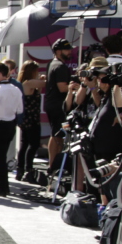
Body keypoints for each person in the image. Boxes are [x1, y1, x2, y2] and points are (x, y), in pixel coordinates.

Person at [0, 62, 24, 196]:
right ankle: (3, 186)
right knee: (1, 156)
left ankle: (2, 187)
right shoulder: (16, 89)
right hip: (10, 125)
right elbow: (20, 109)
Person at [45, 38, 75, 173]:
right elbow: (62, 88)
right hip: (58, 105)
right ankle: (53, 166)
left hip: (53, 104)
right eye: (66, 49)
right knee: (57, 135)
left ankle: (53, 165)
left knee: (57, 134)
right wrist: (76, 85)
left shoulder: (53, 63)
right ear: (58, 51)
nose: (69, 52)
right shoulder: (60, 66)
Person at [16, 61, 46, 182]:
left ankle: (21, 169)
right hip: (31, 118)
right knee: (33, 144)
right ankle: (28, 169)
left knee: (25, 144)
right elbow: (45, 84)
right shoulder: (29, 82)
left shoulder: (24, 83)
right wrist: (43, 78)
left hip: (27, 117)